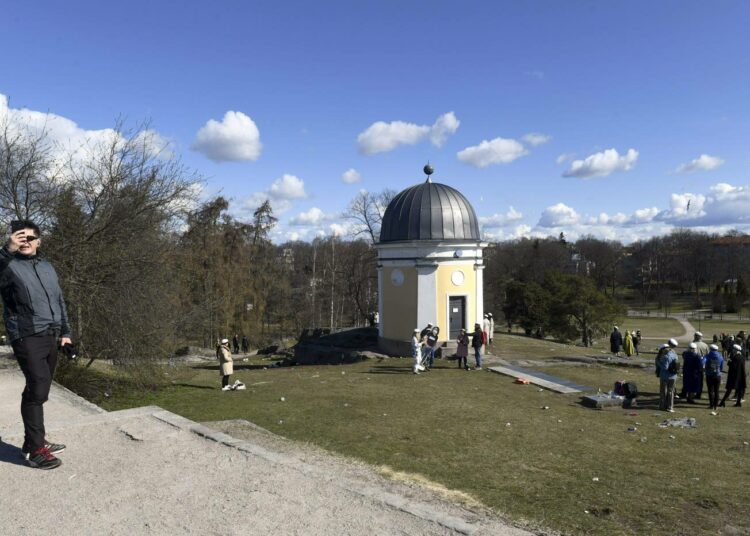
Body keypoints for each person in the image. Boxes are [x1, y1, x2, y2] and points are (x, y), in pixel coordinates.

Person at [1, 220, 71, 469]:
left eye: (30, 238)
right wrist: (6, 251)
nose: (25, 241)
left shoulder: (48, 267)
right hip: (26, 335)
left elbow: (59, 300)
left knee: (38, 390)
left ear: (39, 241)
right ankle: (34, 450)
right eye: (20, 237)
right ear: (13, 240)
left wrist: (66, 332)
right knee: (38, 387)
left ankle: (34, 441)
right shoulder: (8, 266)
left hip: (51, 334)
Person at [655, 339, 679, 412]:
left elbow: (665, 367)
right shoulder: (674, 354)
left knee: (663, 392)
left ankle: (662, 406)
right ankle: (670, 407)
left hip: (665, 376)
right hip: (673, 376)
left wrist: (658, 362)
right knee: (671, 392)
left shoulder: (666, 357)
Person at [704, 343, 724, 410]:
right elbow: (721, 366)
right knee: (716, 390)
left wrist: (705, 368)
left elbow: (702, 362)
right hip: (717, 375)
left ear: (710, 349)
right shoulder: (720, 356)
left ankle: (711, 405)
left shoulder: (707, 356)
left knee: (710, 390)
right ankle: (716, 405)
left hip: (709, 375)